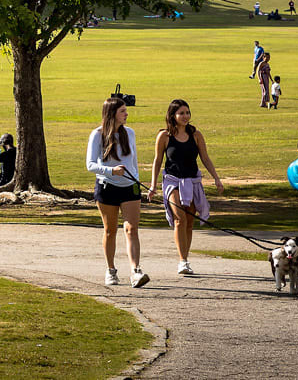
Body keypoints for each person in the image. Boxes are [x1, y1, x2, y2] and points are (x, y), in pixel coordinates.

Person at [150, 98, 223, 276]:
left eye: (187, 113)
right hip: (172, 182)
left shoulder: (196, 134)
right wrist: (153, 185)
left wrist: (216, 178)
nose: (185, 116)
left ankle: (185, 258)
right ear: (172, 115)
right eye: (181, 113)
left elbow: (205, 158)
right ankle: (182, 261)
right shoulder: (164, 136)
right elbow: (158, 160)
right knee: (180, 219)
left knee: (189, 222)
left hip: (192, 182)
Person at [87, 97, 147, 287]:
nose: (126, 114)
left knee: (131, 228)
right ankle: (111, 270)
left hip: (130, 187)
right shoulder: (97, 134)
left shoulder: (130, 133)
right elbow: (90, 165)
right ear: (112, 113)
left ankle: (135, 271)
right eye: (122, 111)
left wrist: (136, 179)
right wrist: (110, 170)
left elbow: (134, 161)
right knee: (110, 230)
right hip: (107, 187)